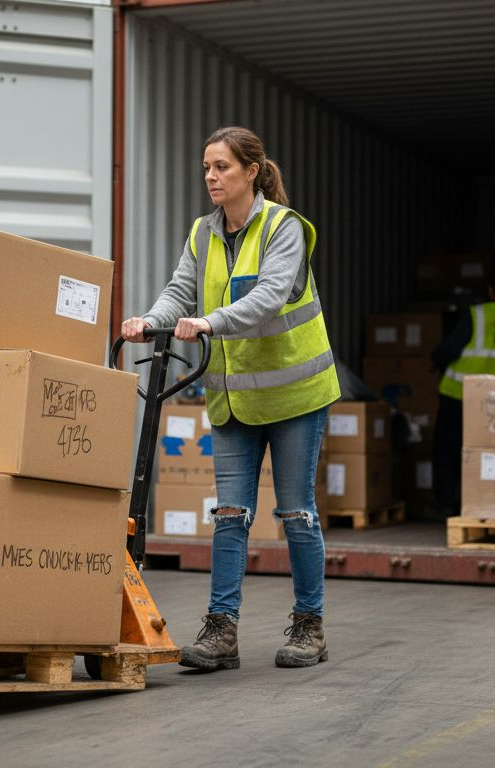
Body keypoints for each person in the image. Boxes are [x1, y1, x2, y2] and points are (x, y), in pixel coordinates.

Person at [122, 126, 340, 670]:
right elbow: (181, 291)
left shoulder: (283, 228)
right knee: (229, 514)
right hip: (234, 400)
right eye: (206, 168)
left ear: (251, 171)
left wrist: (210, 322)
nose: (211, 177)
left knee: (295, 513)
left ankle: (309, 626)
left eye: (220, 167)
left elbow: (268, 296)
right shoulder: (203, 232)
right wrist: (152, 321)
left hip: (294, 396)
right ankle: (222, 631)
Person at [430, 271, 495, 518]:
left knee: (448, 450)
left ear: (490, 290)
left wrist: (435, 359)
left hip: (461, 395)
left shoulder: (477, 315)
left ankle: (446, 503)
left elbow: (449, 349)